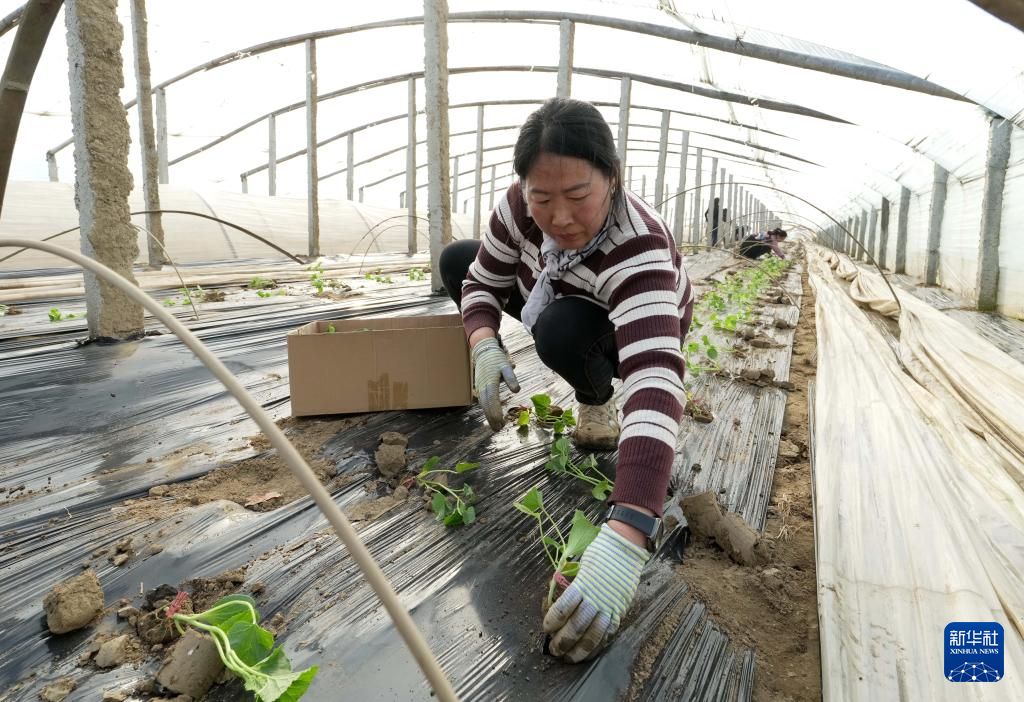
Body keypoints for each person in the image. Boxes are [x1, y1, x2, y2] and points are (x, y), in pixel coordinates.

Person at [439, 97, 694, 663]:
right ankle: (557, 353)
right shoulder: (517, 211)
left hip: (616, 331)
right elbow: (480, 283)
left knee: (560, 330)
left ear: (612, 179)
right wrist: (483, 343)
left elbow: (656, 376)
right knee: (457, 259)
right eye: (542, 197)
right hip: (554, 290)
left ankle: (596, 398)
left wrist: (629, 532)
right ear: (524, 187)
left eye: (578, 196)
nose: (559, 217)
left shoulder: (639, 246)